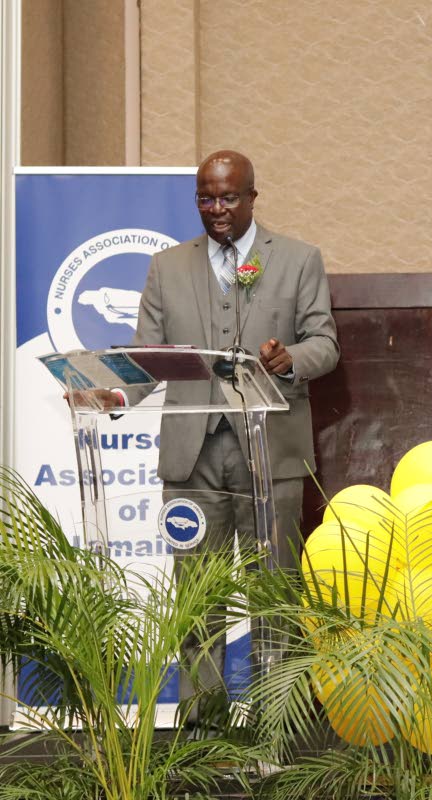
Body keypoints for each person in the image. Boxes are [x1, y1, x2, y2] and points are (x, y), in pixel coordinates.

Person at [70, 150, 339, 725]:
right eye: (206, 198)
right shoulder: (167, 267)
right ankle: (204, 724)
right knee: (198, 596)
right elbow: (148, 358)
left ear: (252, 197)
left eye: (228, 197)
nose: (216, 209)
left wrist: (289, 358)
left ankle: (276, 724)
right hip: (191, 454)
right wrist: (112, 396)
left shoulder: (297, 259)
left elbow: (326, 344)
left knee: (274, 588)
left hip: (271, 450)